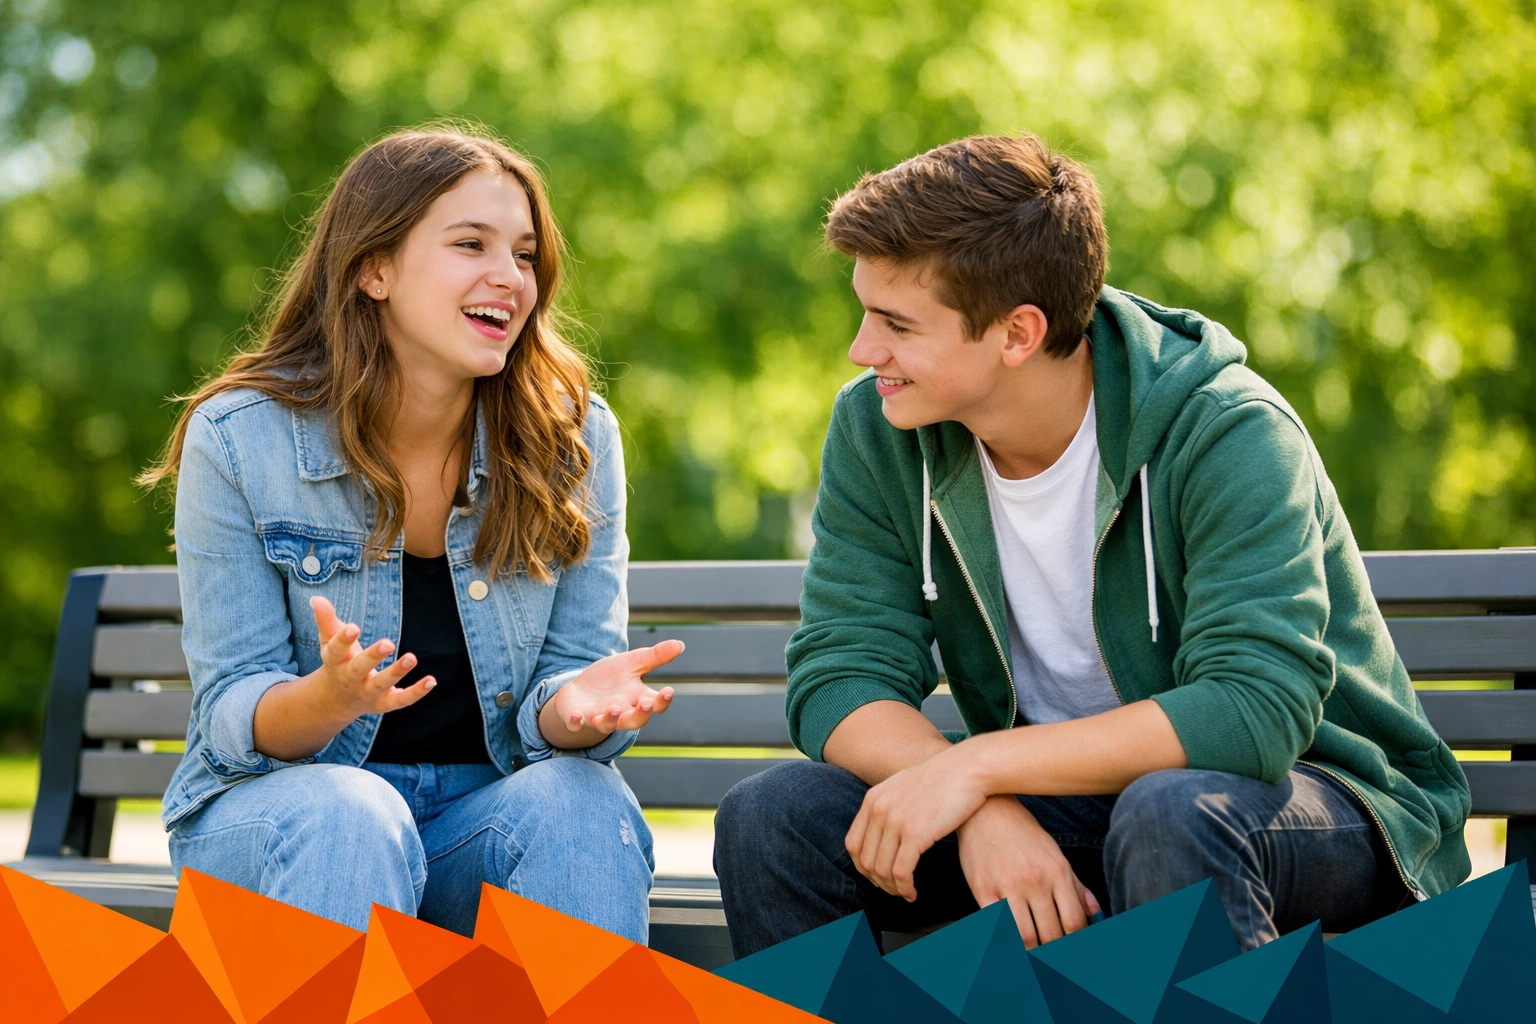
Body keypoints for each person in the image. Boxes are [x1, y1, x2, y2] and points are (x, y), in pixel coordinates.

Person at [714, 134, 1470, 956]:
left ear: (1017, 333)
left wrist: (975, 769)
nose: (864, 351)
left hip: (1318, 808)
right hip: (1070, 808)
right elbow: (839, 673)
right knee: (773, 819)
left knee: (1171, 814)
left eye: (897, 324)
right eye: (865, 313)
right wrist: (981, 806)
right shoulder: (880, 428)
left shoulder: (1227, 430)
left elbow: (1254, 713)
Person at [141, 127, 681, 940]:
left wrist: (572, 711)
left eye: (526, 255)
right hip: (293, 817)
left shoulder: (574, 437)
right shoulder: (238, 438)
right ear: (375, 268)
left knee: (580, 800)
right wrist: (326, 701)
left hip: (479, 819)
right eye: (471, 244)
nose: (510, 277)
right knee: (351, 815)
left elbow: (566, 686)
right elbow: (231, 709)